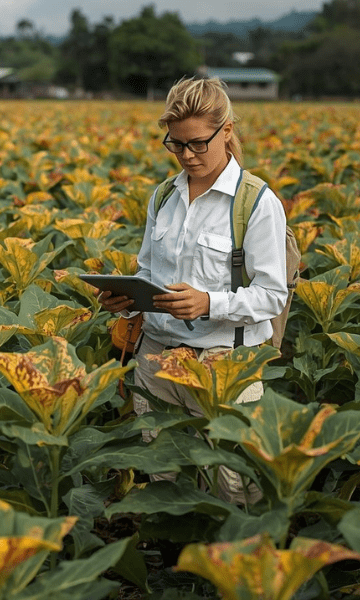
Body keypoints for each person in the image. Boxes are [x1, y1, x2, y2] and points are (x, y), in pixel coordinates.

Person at [97, 76, 289, 504]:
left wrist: (208, 303)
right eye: (177, 144)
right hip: (157, 358)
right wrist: (126, 302)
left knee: (233, 486)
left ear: (227, 131)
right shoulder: (163, 196)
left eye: (198, 143)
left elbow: (273, 295)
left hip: (222, 367)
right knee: (163, 477)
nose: (187, 155)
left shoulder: (256, 203)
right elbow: (148, 270)